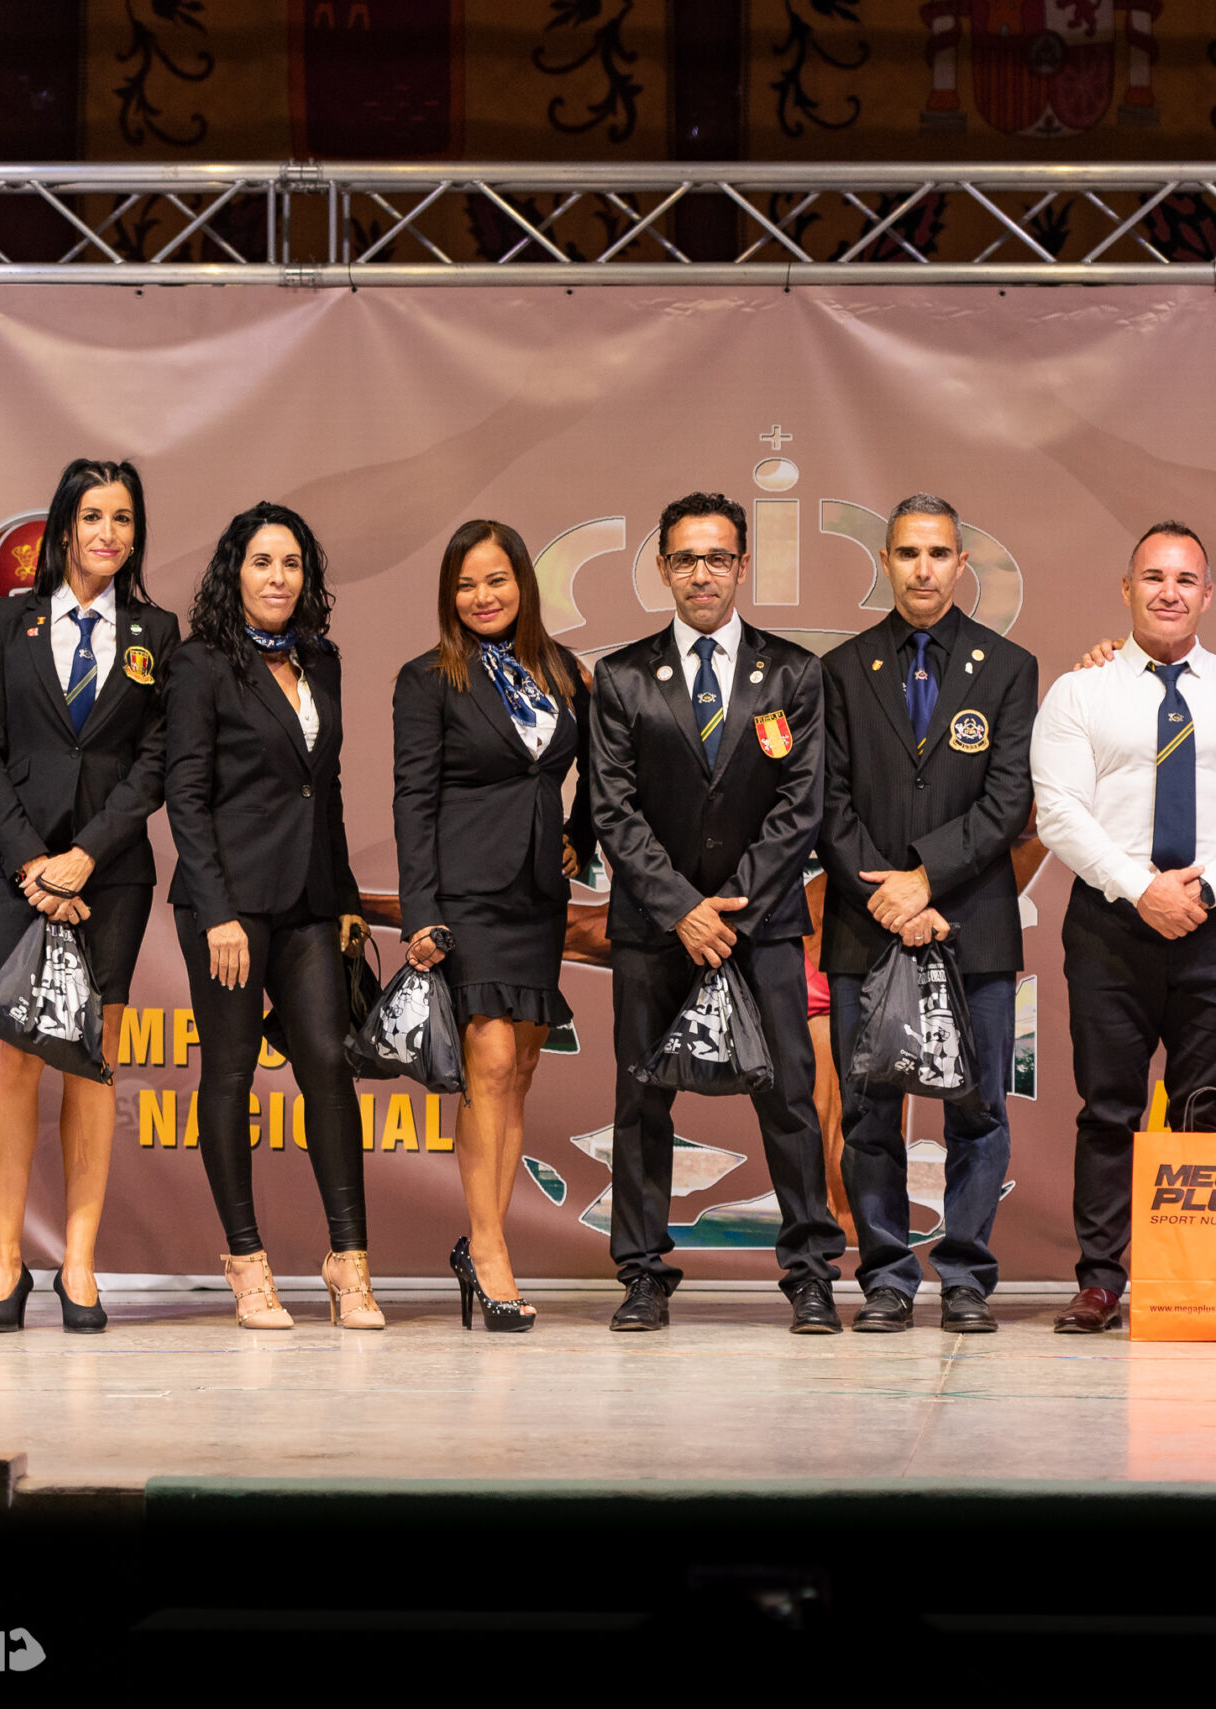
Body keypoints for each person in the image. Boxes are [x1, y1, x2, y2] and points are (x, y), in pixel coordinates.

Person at [589, 492, 845, 1334]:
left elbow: (802, 804)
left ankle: (810, 1272)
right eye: (686, 558)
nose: (702, 573)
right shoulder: (623, 676)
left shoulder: (794, 672)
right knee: (641, 1101)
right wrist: (682, 909)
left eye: (718, 557)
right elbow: (613, 808)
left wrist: (730, 909)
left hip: (760, 924)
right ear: (663, 568)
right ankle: (643, 1273)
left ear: (742, 566)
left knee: (791, 1099)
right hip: (654, 926)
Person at [1032, 521, 1216, 1334]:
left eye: (1184, 579)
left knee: (1205, 1106)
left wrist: (1204, 889)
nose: (1168, 592)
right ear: (1127, 588)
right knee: (1109, 1107)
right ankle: (1101, 1281)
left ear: (1207, 594)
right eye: (1153, 577)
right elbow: (1058, 812)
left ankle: (1193, 1281)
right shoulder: (1080, 692)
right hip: (1110, 925)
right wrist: (1143, 889)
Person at [0, 458, 178, 1333]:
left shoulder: (157, 631)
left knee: (93, 1058)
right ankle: (5, 1259)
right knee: (10, 1060)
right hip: (19, 872)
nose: (107, 533)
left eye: (123, 518)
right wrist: (33, 864)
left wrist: (84, 856)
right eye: (92, 516)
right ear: (63, 527)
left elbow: (157, 762)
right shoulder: (4, 622)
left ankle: (79, 1261)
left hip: (110, 873)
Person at [818, 494, 1038, 1334]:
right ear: (885, 562)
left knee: (978, 1111)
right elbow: (826, 801)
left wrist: (927, 881)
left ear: (961, 564)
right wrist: (890, 894)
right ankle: (884, 1276)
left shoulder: (1009, 667)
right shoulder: (840, 669)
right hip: (865, 922)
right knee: (869, 1113)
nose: (923, 569)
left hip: (972, 923)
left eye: (939, 553)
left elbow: (1008, 799)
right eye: (907, 553)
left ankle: (966, 1277)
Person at [165, 502, 377, 1332]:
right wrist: (217, 910)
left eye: (292, 563)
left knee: (327, 1062)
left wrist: (346, 896)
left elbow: (325, 789)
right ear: (235, 572)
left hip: (311, 900)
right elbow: (185, 795)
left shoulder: (321, 658)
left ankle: (348, 1260)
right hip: (227, 904)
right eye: (262, 562)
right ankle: (247, 1263)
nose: (278, 577)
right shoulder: (200, 663)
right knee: (230, 1070)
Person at [393, 520, 595, 1332]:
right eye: (466, 584)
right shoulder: (427, 679)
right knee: (491, 1062)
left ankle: (483, 1239)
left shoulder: (564, 671)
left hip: (538, 896)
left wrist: (583, 834)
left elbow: (601, 769)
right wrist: (421, 911)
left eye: (496, 580)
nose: (482, 596)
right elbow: (413, 799)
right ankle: (488, 1248)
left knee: (520, 1073)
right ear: (449, 595)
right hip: (466, 894)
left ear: (523, 585)